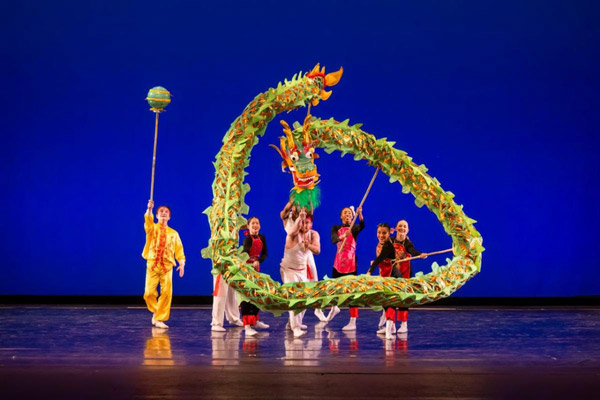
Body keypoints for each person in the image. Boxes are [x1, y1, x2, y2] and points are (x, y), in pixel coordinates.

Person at [280, 202, 328, 323]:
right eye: (296, 205)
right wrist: (294, 198)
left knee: (311, 284)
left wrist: (308, 196)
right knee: (295, 293)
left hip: (305, 254)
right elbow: (285, 212)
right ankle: (293, 323)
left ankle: (316, 309)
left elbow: (310, 212)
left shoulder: (310, 228)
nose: (299, 207)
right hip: (293, 252)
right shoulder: (289, 219)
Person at [142, 200, 185, 329]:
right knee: (148, 293)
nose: (164, 213)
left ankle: (160, 318)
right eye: (161, 211)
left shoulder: (174, 233)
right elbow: (148, 222)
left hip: (167, 267)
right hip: (153, 265)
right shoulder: (152, 228)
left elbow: (179, 250)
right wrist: (149, 209)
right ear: (157, 215)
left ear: (169, 217)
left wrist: (181, 263)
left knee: (166, 293)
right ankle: (157, 312)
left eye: (166, 212)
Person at [331, 206, 365, 330]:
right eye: (345, 213)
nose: (347, 215)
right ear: (341, 216)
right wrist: (342, 237)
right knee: (333, 288)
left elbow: (362, 226)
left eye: (350, 213)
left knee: (352, 292)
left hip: (351, 263)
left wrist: (360, 214)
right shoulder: (336, 228)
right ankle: (333, 310)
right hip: (338, 262)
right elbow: (333, 240)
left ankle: (353, 321)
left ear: (352, 216)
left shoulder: (354, 228)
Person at [390, 219, 426, 334]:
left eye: (405, 226)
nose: (402, 228)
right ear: (396, 228)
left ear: (408, 230)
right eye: (400, 226)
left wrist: (420, 254)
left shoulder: (407, 243)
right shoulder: (390, 240)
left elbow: (412, 250)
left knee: (403, 298)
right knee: (390, 298)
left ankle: (404, 324)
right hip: (392, 272)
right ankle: (390, 324)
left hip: (404, 273)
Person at [366, 223, 397, 339]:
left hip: (393, 277)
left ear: (388, 234)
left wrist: (369, 271)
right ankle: (392, 327)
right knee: (384, 302)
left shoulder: (388, 246)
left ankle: (389, 331)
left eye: (384, 233)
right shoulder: (381, 243)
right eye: (379, 232)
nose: (381, 235)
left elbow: (379, 259)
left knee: (390, 303)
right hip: (384, 276)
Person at [240, 217, 270, 336]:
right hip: (246, 270)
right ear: (248, 226)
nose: (255, 225)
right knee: (246, 297)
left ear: (260, 226)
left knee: (257, 295)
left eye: (257, 223)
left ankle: (255, 320)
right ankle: (247, 326)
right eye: (253, 223)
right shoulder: (247, 239)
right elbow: (245, 252)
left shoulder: (262, 237)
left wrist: (258, 261)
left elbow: (265, 254)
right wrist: (249, 262)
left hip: (256, 269)